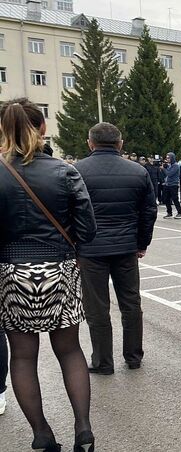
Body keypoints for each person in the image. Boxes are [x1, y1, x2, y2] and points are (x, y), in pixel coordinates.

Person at [0, 99, 97, 451]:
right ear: (42, 128)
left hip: (11, 270)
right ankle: (83, 430)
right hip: (58, 267)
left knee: (23, 356)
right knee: (70, 350)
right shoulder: (65, 171)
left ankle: (41, 434)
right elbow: (87, 230)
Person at [74, 122, 157, 376]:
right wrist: (141, 243)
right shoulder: (138, 171)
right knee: (131, 302)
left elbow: (70, 212)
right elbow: (149, 211)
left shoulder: (77, 171)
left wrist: (75, 246)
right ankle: (133, 357)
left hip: (90, 250)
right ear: (120, 144)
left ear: (91, 143)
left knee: (96, 307)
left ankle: (102, 362)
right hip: (126, 248)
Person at [162, 152, 181, 218]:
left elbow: (169, 174)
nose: (167, 159)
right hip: (167, 184)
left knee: (175, 199)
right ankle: (169, 212)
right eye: (167, 158)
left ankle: (179, 212)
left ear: (172, 158)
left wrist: (163, 169)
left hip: (173, 184)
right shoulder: (169, 165)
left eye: (169, 158)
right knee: (166, 199)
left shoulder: (175, 165)